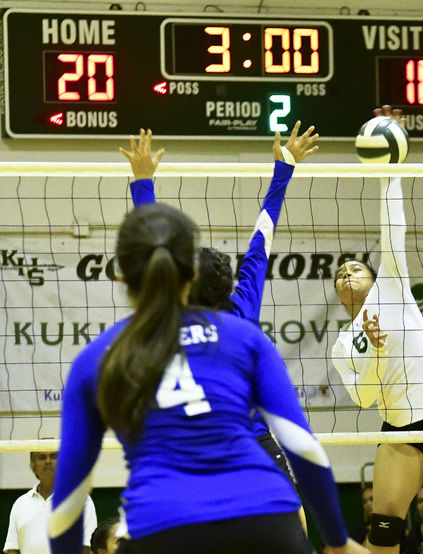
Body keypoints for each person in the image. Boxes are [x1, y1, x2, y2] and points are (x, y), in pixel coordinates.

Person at [48, 202, 367, 554]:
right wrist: (337, 541)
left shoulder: (100, 355)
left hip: (164, 522)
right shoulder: (242, 335)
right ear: (190, 277)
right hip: (262, 513)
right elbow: (303, 446)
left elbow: (68, 497)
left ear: (122, 274)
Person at [120, 124, 318, 525]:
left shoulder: (169, 314)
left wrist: (143, 182)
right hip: (254, 441)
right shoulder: (242, 306)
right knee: (292, 525)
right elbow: (263, 236)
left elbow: (151, 247)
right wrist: (284, 171)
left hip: (200, 445)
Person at [332, 106, 423, 554]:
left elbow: (393, 225)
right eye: (339, 274)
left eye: (355, 266)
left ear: (374, 278)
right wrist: (374, 350)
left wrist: (388, 170)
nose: (346, 272)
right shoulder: (342, 345)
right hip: (399, 425)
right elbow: (364, 398)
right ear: (340, 298)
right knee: (383, 529)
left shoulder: (392, 287)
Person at [4, 450, 96, 554]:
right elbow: (13, 548)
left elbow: (85, 547)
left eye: (54, 456)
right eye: (42, 457)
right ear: (34, 467)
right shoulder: (20, 503)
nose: (48, 461)